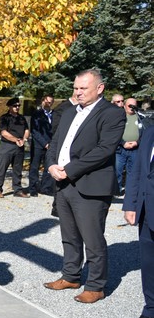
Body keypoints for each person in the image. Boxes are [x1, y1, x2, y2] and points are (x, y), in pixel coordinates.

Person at [44, 68, 125, 304]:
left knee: (92, 238)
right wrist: (51, 167)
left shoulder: (111, 114)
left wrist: (69, 169)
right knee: (69, 235)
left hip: (91, 185)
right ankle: (70, 275)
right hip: (63, 182)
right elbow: (56, 143)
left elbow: (104, 150)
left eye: (83, 88)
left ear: (99, 88)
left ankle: (96, 286)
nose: (78, 93)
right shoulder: (69, 112)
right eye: (75, 88)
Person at [121, 121, 154, 318]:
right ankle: (150, 311)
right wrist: (130, 204)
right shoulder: (150, 131)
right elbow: (139, 172)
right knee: (149, 265)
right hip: (147, 211)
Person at [0, 97, 30, 198]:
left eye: (18, 106)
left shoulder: (22, 118)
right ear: (9, 106)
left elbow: (26, 130)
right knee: (2, 169)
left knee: (18, 170)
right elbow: (4, 133)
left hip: (19, 147)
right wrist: (16, 140)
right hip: (7, 146)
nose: (17, 107)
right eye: (15, 106)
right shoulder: (4, 118)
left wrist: (24, 139)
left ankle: (17, 189)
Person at [27, 94, 55, 196]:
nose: (49, 104)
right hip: (38, 145)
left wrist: (51, 144)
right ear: (43, 101)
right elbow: (34, 131)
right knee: (35, 167)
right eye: (47, 102)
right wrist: (45, 143)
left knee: (48, 167)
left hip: (51, 145)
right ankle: (33, 188)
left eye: (51, 102)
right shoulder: (36, 114)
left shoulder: (54, 114)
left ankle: (46, 188)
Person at [115, 97, 143, 196]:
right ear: (124, 106)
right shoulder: (119, 117)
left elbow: (144, 132)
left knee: (132, 172)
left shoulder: (140, 118)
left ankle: (130, 192)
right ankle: (117, 191)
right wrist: (123, 143)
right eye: (129, 105)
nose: (132, 108)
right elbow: (115, 133)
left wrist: (137, 142)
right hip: (121, 149)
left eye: (134, 105)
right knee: (118, 171)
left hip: (135, 149)